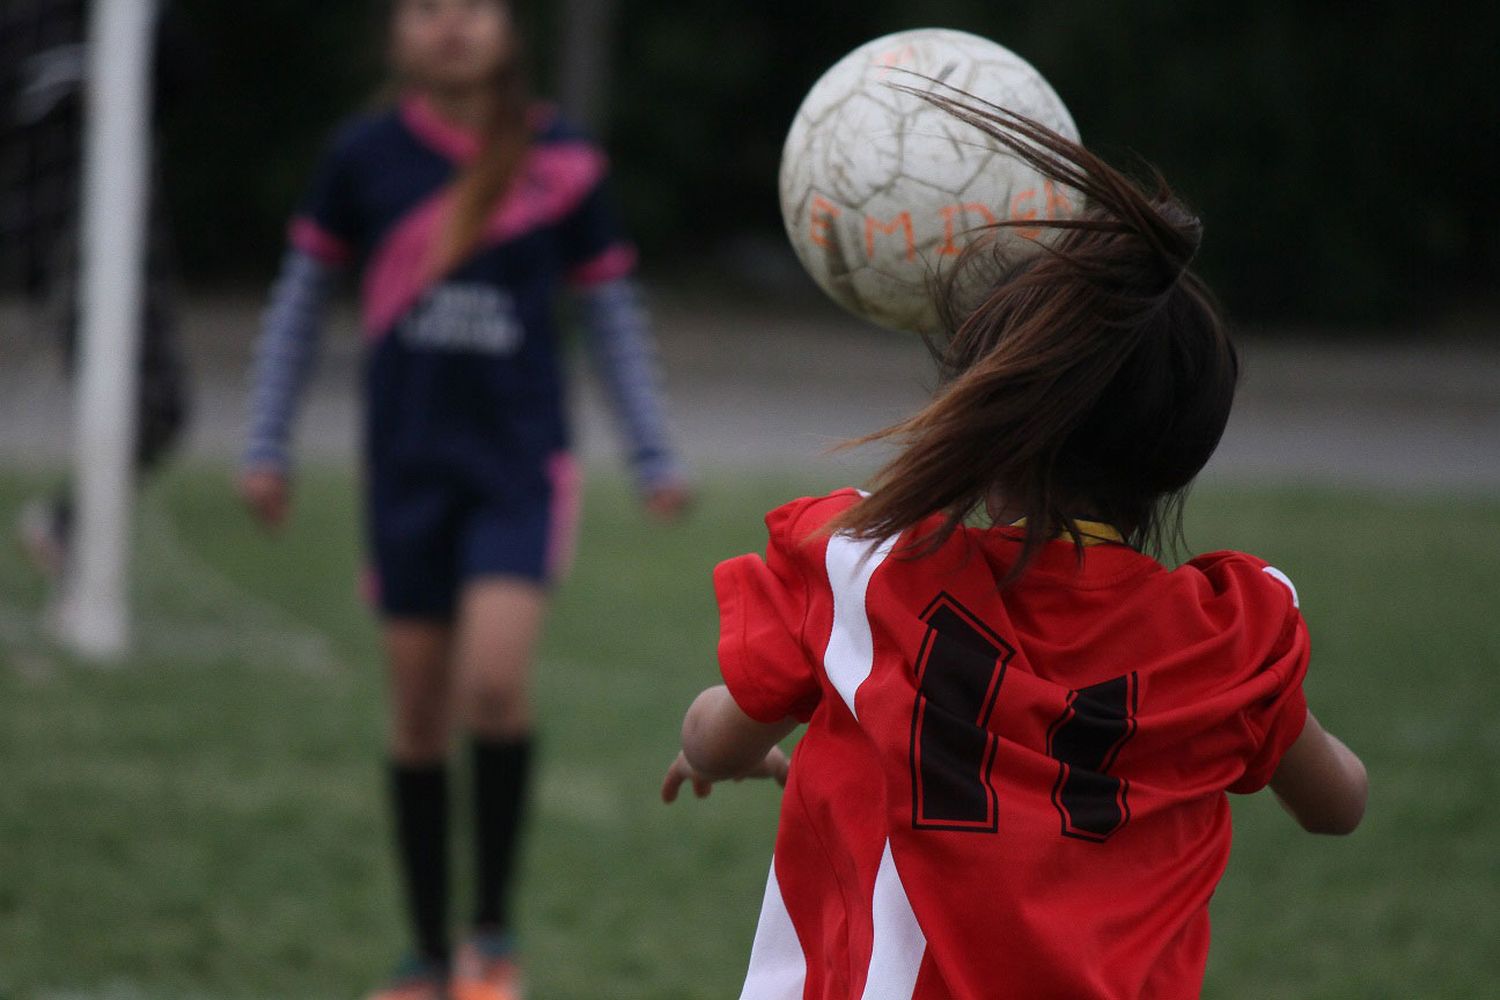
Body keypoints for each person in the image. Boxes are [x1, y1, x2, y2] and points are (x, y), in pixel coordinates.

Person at [661, 92, 1367, 999]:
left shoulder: (872, 572)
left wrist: (716, 748)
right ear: (1179, 449)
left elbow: (719, 729)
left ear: (992, 420)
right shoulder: (1231, 640)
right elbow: (1338, 805)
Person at [238, 2, 689, 998]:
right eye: (427, 8)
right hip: (405, 474)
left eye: (472, 7)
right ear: (395, 31)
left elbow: (611, 313)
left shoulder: (562, 159)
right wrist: (267, 441)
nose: (451, 27)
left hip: (518, 472)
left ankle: (490, 937)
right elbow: (300, 304)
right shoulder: (361, 158)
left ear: (507, 29)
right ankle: (423, 954)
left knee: (491, 683)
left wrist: (653, 451)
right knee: (414, 718)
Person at [3, 0, 193, 576]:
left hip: (124, 242)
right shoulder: (18, 25)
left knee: (155, 404)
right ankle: (71, 539)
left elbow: (188, 83)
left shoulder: (135, 19)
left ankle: (67, 531)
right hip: (44, 242)